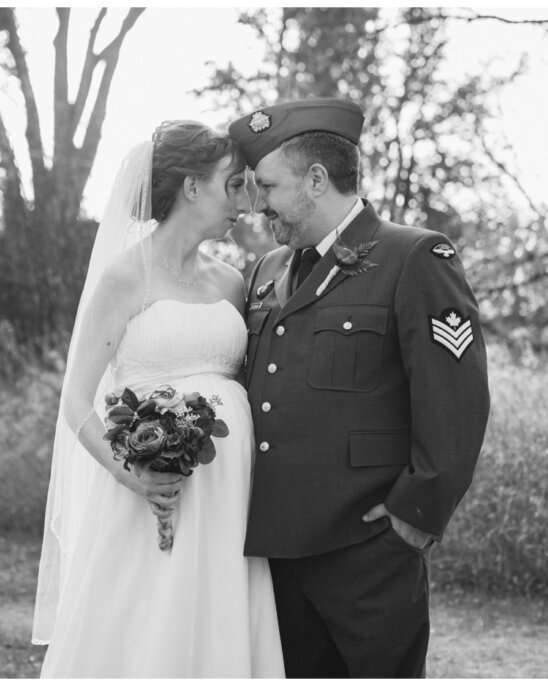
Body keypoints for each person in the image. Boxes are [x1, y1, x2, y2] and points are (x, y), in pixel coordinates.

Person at [228, 98, 491, 678]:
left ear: (316, 180)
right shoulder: (268, 268)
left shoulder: (415, 255)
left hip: (367, 554)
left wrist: (414, 517)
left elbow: (456, 400)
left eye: (268, 187)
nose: (257, 206)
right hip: (272, 552)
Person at [32, 121, 284, 677]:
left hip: (232, 491)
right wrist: (134, 473)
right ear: (192, 188)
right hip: (152, 492)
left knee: (219, 625)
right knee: (145, 632)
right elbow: (76, 403)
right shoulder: (125, 278)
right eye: (232, 185)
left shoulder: (231, 283)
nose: (244, 203)